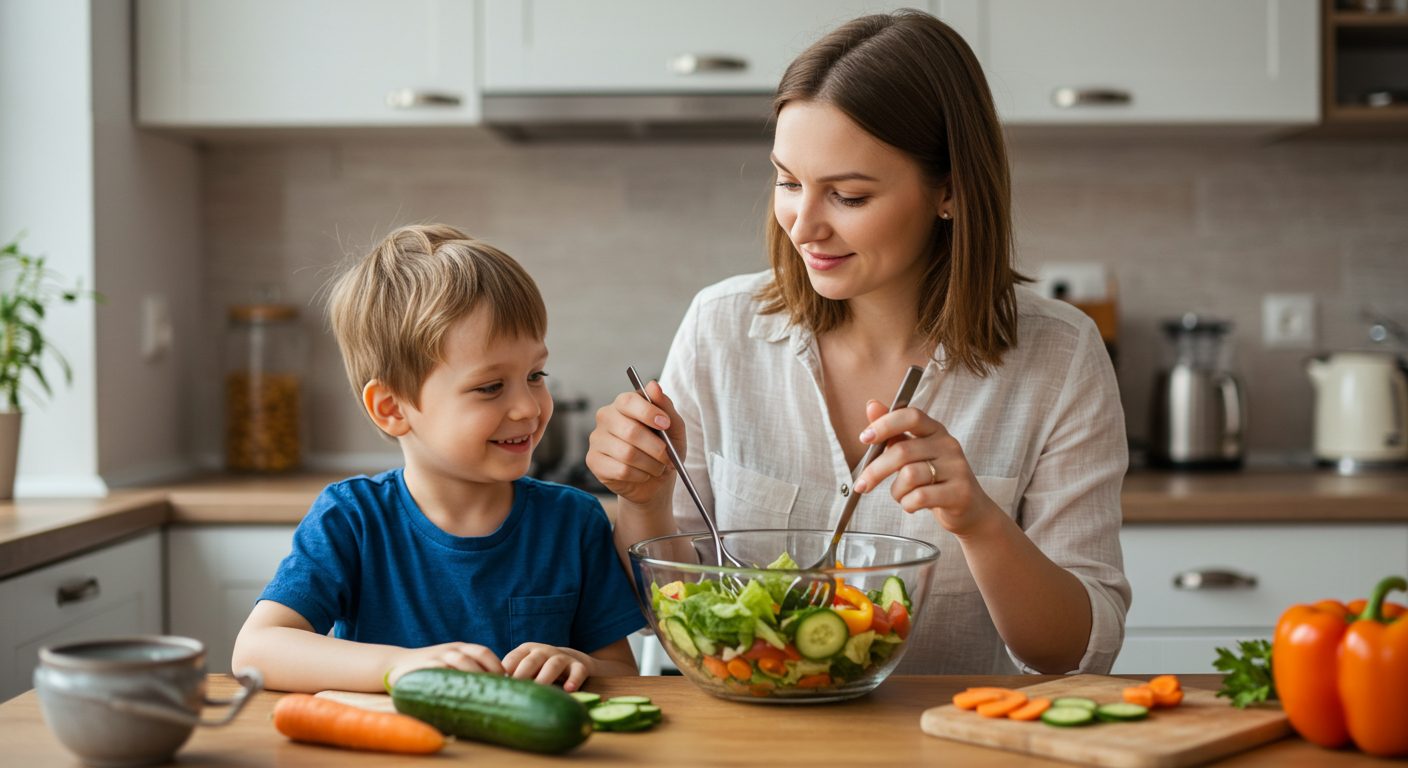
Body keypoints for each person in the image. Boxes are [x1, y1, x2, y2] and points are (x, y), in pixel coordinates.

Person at [586, 10, 1129, 675]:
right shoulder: (720, 325)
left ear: (950, 191)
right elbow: (659, 610)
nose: (804, 225)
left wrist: (980, 522)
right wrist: (644, 497)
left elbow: (1076, 652)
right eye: (788, 182)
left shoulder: (1061, 356)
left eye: (846, 195)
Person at [233, 224, 644, 693]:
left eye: (535, 374)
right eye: (490, 387)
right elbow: (256, 648)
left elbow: (623, 673)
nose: (529, 407)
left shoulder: (573, 523)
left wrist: (576, 663)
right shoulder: (352, 519)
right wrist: (401, 666)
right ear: (392, 409)